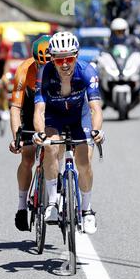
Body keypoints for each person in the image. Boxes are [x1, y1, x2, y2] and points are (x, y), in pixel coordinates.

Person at [33, 32, 105, 235]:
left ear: (76, 56)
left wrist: (97, 130)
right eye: (59, 59)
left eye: (69, 59)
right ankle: (53, 204)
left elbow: (95, 108)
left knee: (84, 162)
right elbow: (39, 109)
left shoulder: (87, 71)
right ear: (52, 59)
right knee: (51, 147)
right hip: (54, 116)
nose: (64, 64)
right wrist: (40, 133)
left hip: (78, 116)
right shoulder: (45, 73)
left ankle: (87, 210)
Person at [9, 35, 52, 231]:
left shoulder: (61, 69)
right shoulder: (24, 70)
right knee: (27, 156)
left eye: (48, 63)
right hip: (29, 105)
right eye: (39, 64)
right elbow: (16, 108)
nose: (44, 68)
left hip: (51, 105)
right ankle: (21, 206)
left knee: (55, 148)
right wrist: (16, 136)